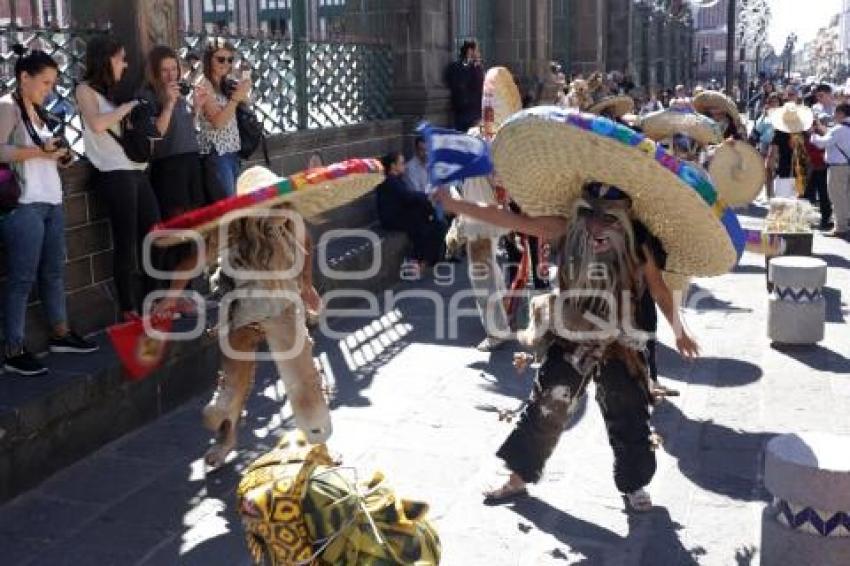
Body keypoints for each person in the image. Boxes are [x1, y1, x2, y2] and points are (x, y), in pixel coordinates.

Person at [432, 108, 734, 513]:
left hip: (622, 341)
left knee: (628, 414)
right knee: (547, 405)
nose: (596, 226)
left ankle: (634, 486)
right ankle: (518, 478)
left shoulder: (640, 243)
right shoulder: (563, 228)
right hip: (571, 332)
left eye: (608, 217)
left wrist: (679, 328)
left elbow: (659, 289)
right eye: (589, 212)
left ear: (627, 215)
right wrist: (459, 206)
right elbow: (507, 217)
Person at [151, 163, 383, 468]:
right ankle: (226, 438)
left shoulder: (289, 218)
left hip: (283, 307)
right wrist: (169, 299)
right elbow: (189, 265)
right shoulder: (230, 227)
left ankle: (319, 444)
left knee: (304, 379)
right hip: (242, 310)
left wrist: (307, 286)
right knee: (233, 383)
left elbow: (307, 247)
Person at [0, 47, 98, 375]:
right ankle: (13, 349)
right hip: (24, 205)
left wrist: (59, 155)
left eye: (53, 83)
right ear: (23, 77)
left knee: (54, 272)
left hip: (52, 202)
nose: (49, 89)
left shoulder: (39, 111)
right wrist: (38, 151)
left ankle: (60, 333)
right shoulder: (7, 107)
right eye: (44, 82)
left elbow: (45, 153)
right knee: (21, 279)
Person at [76, 36, 161, 319]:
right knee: (126, 243)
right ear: (106, 59)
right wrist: (128, 108)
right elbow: (97, 124)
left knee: (153, 236)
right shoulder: (85, 90)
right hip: (114, 173)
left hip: (137, 171)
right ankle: (128, 308)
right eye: (120, 58)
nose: (124, 65)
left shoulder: (113, 92)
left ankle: (153, 301)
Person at [139, 45, 207, 220]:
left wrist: (196, 109)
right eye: (164, 70)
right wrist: (168, 103)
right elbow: (156, 133)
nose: (171, 75)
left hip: (191, 160)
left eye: (174, 69)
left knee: (197, 219)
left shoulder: (179, 92)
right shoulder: (148, 95)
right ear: (154, 72)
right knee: (177, 223)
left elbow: (186, 129)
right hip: (169, 166)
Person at [197, 38, 251, 200]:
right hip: (218, 155)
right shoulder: (204, 83)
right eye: (220, 59)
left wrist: (243, 88)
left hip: (233, 153)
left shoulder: (225, 84)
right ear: (209, 60)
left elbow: (248, 103)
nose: (226, 63)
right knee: (228, 212)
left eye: (230, 60)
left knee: (234, 210)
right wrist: (235, 99)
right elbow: (218, 122)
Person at [375, 152, 447, 272]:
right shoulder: (389, 181)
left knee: (436, 222)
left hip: (401, 215)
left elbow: (409, 198)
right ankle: (419, 260)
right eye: (401, 163)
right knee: (427, 223)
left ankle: (425, 260)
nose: (404, 166)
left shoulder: (396, 180)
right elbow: (406, 197)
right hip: (392, 219)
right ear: (393, 166)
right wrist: (427, 197)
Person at [811, 102, 850, 237]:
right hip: (847, 165)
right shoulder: (845, 128)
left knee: (836, 196)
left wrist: (813, 136)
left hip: (838, 167)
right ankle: (845, 221)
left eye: (835, 113)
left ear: (841, 114)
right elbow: (831, 135)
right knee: (846, 196)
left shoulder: (838, 128)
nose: (834, 115)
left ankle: (840, 227)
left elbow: (823, 143)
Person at [768, 102, 813, 200]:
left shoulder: (779, 133)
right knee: (798, 201)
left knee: (783, 200)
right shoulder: (803, 132)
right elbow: (808, 152)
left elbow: (773, 154)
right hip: (801, 169)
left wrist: (770, 168)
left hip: (784, 168)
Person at [444, 39, 485, 132]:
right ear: (470, 51)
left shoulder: (453, 67)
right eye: (477, 50)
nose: (479, 54)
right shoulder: (475, 67)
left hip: (458, 113)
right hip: (473, 114)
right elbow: (480, 86)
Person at [751, 92, 782, 200]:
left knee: (776, 170)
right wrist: (764, 115)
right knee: (766, 169)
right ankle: (769, 194)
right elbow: (758, 129)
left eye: (776, 101)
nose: (774, 103)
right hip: (765, 143)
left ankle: (776, 193)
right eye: (772, 101)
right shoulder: (765, 114)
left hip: (777, 145)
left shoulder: (783, 113)